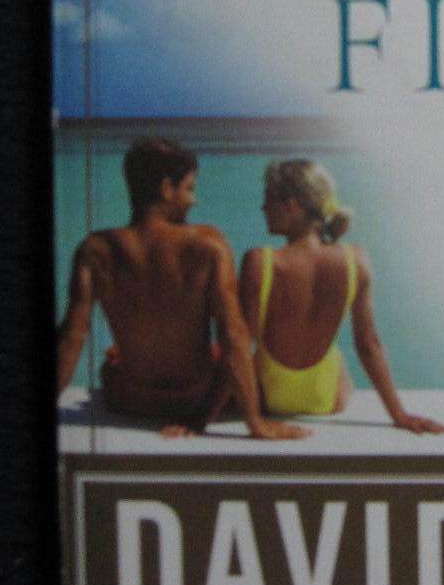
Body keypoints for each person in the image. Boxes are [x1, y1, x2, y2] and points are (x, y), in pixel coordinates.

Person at [56, 138, 309, 441]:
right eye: (189, 189)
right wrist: (255, 422)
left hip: (132, 400)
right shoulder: (208, 245)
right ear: (166, 189)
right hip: (194, 400)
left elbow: (72, 337)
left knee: (112, 362)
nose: (194, 200)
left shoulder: (94, 250)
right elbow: (234, 336)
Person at [241, 159, 444, 434]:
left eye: (269, 201)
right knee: (337, 358)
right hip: (328, 397)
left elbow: (239, 347)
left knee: (224, 349)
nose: (263, 208)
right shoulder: (355, 260)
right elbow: (368, 345)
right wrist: (400, 415)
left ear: (291, 206)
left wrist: (202, 420)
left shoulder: (261, 262)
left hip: (269, 399)